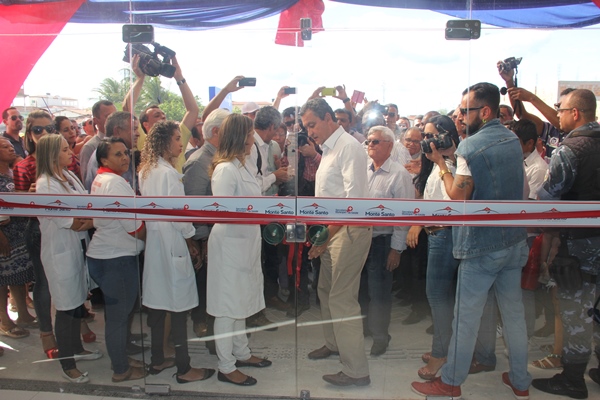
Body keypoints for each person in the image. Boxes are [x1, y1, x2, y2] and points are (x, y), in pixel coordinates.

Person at [411, 83, 531, 399]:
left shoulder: (470, 147)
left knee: (466, 317)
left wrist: (441, 164)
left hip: (481, 245)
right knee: (514, 317)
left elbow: (458, 195)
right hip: (514, 241)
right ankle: (521, 382)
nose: (460, 117)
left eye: (465, 110)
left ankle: (450, 382)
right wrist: (454, 157)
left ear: (485, 111)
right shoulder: (512, 139)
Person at [533, 88, 600, 399]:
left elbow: (550, 197)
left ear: (576, 113)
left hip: (580, 249)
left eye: (560, 109)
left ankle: (573, 379)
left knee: (576, 313)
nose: (556, 114)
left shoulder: (571, 148)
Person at [301, 98, 373, 387]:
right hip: (332, 231)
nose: (309, 131)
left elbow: (351, 203)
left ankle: (357, 371)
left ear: (330, 118)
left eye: (312, 124)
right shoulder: (329, 149)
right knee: (325, 290)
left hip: (349, 231)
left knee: (342, 298)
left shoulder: (350, 148)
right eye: (306, 126)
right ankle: (333, 344)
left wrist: (325, 236)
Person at [138, 120, 214, 384]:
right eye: (176, 139)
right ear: (164, 142)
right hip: (171, 242)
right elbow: (179, 215)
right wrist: (192, 238)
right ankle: (184, 369)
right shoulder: (169, 174)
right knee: (179, 307)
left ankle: (158, 359)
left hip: (156, 245)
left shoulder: (146, 170)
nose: (181, 144)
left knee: (159, 305)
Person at [207, 113, 273, 386]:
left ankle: (241, 352)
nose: (252, 140)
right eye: (248, 135)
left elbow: (254, 193)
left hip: (245, 242)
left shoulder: (242, 165)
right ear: (239, 137)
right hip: (230, 244)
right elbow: (223, 212)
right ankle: (226, 366)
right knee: (226, 307)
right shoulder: (225, 169)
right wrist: (256, 214)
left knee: (241, 301)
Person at [36, 134, 102, 383]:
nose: (71, 153)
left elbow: (85, 207)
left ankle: (76, 348)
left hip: (77, 249)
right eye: (65, 150)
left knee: (76, 303)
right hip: (60, 253)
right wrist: (95, 221)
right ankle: (68, 364)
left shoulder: (68, 175)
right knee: (65, 307)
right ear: (52, 154)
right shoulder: (46, 184)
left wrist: (89, 219)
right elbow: (71, 222)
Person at [87, 138, 148, 383]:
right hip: (116, 259)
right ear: (103, 160)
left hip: (106, 255)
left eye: (125, 153)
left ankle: (121, 357)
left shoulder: (102, 179)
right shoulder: (116, 184)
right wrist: (151, 238)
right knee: (118, 318)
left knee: (118, 315)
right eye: (117, 154)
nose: (124, 158)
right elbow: (133, 227)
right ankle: (121, 370)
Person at [407, 115, 461, 380]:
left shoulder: (452, 166)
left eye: (431, 137)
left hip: (445, 237)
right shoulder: (434, 166)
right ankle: (441, 347)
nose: (426, 142)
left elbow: (453, 200)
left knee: (438, 298)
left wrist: (441, 162)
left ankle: (441, 354)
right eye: (424, 137)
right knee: (438, 298)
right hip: (436, 237)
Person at [358, 125, 413, 356]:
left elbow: (404, 215)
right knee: (361, 290)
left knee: (379, 292)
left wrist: (396, 249)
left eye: (375, 141)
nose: (370, 145)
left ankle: (381, 337)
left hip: (383, 241)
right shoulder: (364, 170)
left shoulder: (399, 174)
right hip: (361, 240)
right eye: (368, 141)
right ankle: (366, 330)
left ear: (390, 146)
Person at [13, 110, 59, 359]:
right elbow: (15, 206)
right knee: (43, 282)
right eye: (38, 130)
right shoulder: (24, 166)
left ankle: (78, 324)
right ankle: (46, 333)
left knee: (70, 276)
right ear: (29, 134)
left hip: (68, 229)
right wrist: (29, 196)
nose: (44, 134)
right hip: (38, 230)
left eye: (49, 129)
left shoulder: (67, 160)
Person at [0, 137, 36, 340]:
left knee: (17, 277)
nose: (10, 149)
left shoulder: (12, 171)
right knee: (1, 280)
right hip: (4, 235)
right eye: (4, 147)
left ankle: (23, 315)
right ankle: (5, 321)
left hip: (18, 233)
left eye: (10, 146)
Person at [80, 100, 117, 183]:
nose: (114, 120)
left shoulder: (123, 143)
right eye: (108, 116)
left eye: (115, 116)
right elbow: (87, 181)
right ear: (96, 120)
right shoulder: (90, 147)